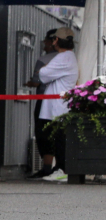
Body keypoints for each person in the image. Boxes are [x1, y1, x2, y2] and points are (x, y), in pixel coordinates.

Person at [37, 27, 79, 182]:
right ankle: (60, 167)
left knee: (60, 138)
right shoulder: (69, 56)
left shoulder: (62, 57)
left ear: (57, 40)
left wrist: (43, 69)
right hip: (62, 103)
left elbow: (43, 75)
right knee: (60, 137)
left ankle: (62, 169)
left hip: (59, 104)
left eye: (54, 39)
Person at [26, 29, 60, 179]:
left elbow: (37, 81)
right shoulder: (70, 58)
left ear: (53, 41)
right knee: (58, 132)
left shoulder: (44, 59)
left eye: (46, 40)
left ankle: (47, 167)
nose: (44, 44)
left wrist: (29, 83)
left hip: (44, 99)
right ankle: (60, 167)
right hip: (61, 100)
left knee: (43, 132)